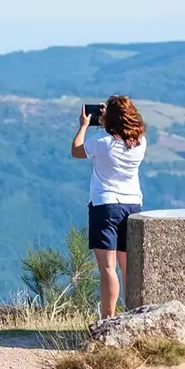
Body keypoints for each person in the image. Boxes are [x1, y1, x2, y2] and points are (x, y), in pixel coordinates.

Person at [72, 94, 147, 319]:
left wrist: (84, 126)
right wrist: (110, 120)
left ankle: (108, 319)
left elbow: (76, 150)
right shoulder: (141, 142)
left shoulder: (102, 143)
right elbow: (124, 135)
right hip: (133, 205)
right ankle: (133, 316)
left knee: (107, 268)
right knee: (128, 268)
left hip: (105, 206)